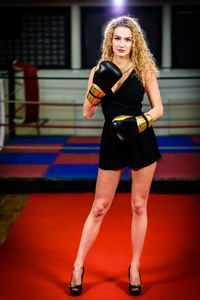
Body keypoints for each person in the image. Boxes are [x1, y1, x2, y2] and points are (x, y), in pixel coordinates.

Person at [69, 15, 163, 296]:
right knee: (99, 207)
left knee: (138, 205)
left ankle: (134, 266)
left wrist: (138, 122)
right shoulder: (98, 69)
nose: (122, 43)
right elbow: (87, 113)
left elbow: (158, 109)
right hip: (111, 142)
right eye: (117, 38)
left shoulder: (144, 68)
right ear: (110, 40)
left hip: (140, 139)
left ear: (135, 42)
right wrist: (99, 87)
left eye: (128, 38)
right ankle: (77, 266)